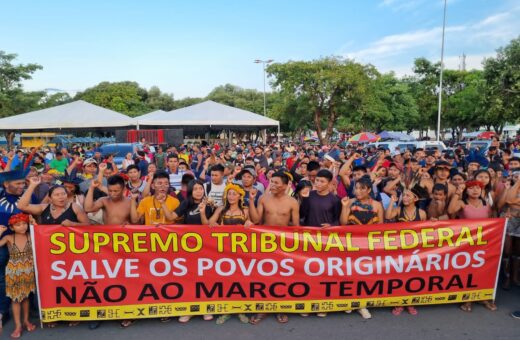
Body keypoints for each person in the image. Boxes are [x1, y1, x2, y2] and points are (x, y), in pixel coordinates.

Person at [248, 171, 299, 325]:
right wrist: (251, 201)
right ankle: (262, 308)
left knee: (281, 277)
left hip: (284, 244)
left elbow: (296, 226)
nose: (273, 185)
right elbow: (256, 219)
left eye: (277, 183)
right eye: (271, 182)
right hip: (265, 243)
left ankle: (280, 308)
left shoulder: (292, 202)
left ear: (285, 185)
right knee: (264, 277)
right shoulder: (263, 198)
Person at [447, 180, 497, 312]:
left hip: (484, 243)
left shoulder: (487, 204)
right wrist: (458, 193)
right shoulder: (463, 203)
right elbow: (451, 209)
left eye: (478, 188)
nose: (475, 190)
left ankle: (483, 297)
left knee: (484, 269)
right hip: (466, 243)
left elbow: (493, 221)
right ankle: (466, 298)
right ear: (466, 191)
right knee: (467, 271)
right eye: (471, 188)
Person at [340, 175, 384, 319]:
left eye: (361, 188)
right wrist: (345, 207)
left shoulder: (377, 205)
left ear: (369, 190)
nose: (357, 191)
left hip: (369, 247)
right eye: (356, 188)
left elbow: (381, 228)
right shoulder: (350, 202)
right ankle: (348, 302)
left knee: (365, 276)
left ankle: (361, 305)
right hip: (351, 245)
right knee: (349, 275)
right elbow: (343, 223)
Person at [0, 213, 36, 338]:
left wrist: (34, 224)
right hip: (13, 272)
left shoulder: (31, 236)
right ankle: (18, 325)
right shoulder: (9, 238)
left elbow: (42, 238)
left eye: (24, 224)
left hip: (28, 271)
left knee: (26, 297)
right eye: (18, 225)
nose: (22, 227)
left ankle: (26, 321)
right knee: (15, 299)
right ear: (12, 227)